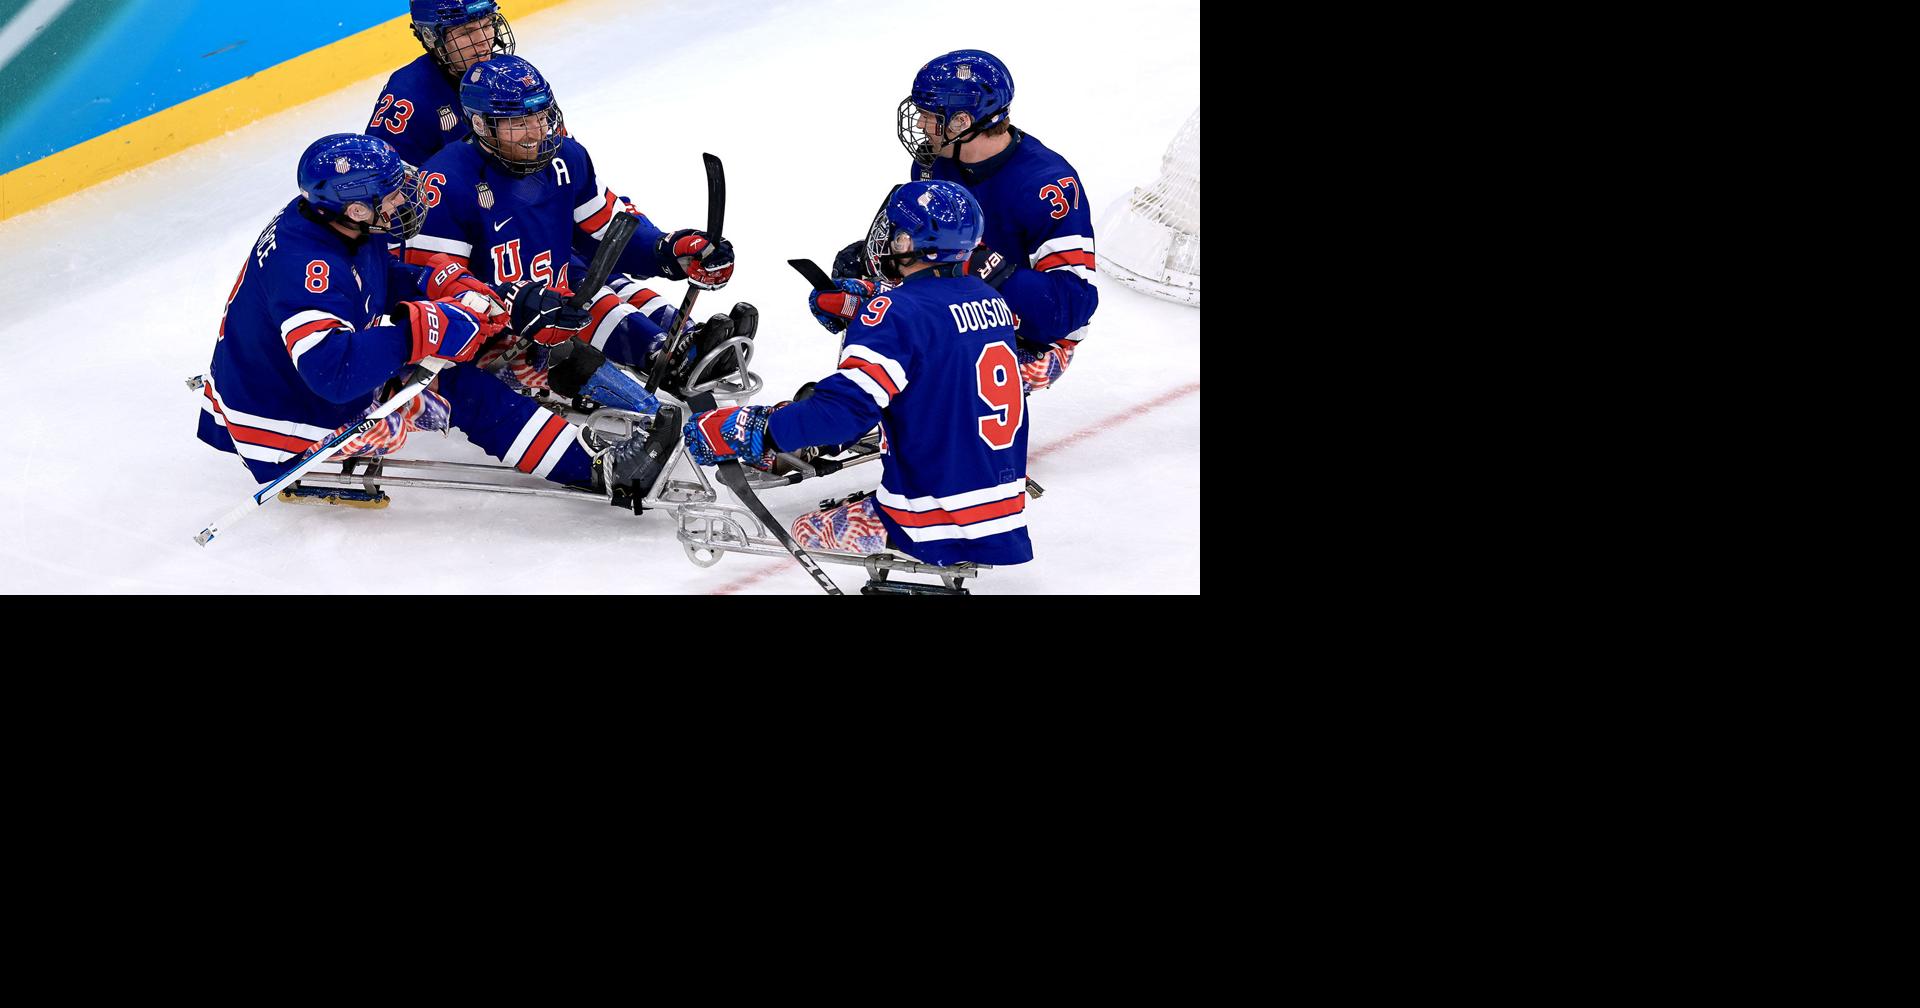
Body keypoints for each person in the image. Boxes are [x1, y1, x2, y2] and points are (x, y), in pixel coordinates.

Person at [406, 53, 741, 483]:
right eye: (516, 123)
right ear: (481, 125)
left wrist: (669, 252)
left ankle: (665, 355)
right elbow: (431, 283)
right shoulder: (444, 182)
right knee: (488, 385)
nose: (534, 133)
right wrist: (508, 307)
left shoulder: (568, 158)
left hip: (553, 321)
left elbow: (607, 233)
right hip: (483, 340)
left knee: (589, 292)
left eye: (540, 116)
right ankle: (607, 457)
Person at [686, 180, 1033, 567]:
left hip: (934, 521)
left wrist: (752, 429)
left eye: (895, 230)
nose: (886, 236)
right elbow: (934, 333)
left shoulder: (894, 314)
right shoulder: (991, 300)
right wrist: (867, 299)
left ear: (909, 241)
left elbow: (841, 417)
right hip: (1001, 512)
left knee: (806, 529)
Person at [194, 133, 509, 484]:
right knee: (449, 391)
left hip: (277, 377)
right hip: (276, 423)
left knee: (448, 366)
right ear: (357, 209)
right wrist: (422, 332)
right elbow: (335, 374)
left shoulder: (333, 219)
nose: (402, 199)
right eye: (392, 195)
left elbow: (366, 276)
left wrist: (429, 282)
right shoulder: (306, 268)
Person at [810, 49, 1095, 395]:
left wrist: (987, 269)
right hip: (960, 296)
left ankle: (924, 422)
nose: (919, 125)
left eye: (930, 116)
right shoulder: (934, 163)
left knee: (932, 356)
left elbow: (1070, 310)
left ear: (961, 122)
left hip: (1032, 337)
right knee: (865, 293)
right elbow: (928, 250)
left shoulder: (1047, 186)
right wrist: (880, 265)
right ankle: (854, 400)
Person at [365, 1, 520, 168]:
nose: (483, 40)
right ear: (431, 38)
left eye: (488, 24)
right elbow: (382, 175)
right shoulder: (408, 96)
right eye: (467, 32)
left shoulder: (508, 74)